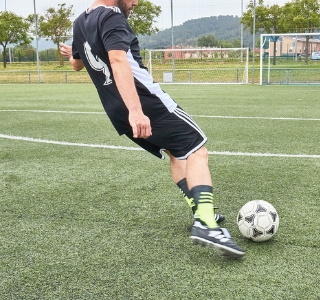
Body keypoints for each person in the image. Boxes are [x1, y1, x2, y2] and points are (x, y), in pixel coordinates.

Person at [60, 0, 245, 258]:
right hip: (145, 102)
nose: (135, 2)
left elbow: (77, 64)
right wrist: (137, 110)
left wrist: (72, 52)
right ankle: (206, 223)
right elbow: (117, 59)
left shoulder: (80, 21)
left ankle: (200, 210)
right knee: (197, 151)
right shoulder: (111, 16)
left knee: (175, 152)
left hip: (116, 109)